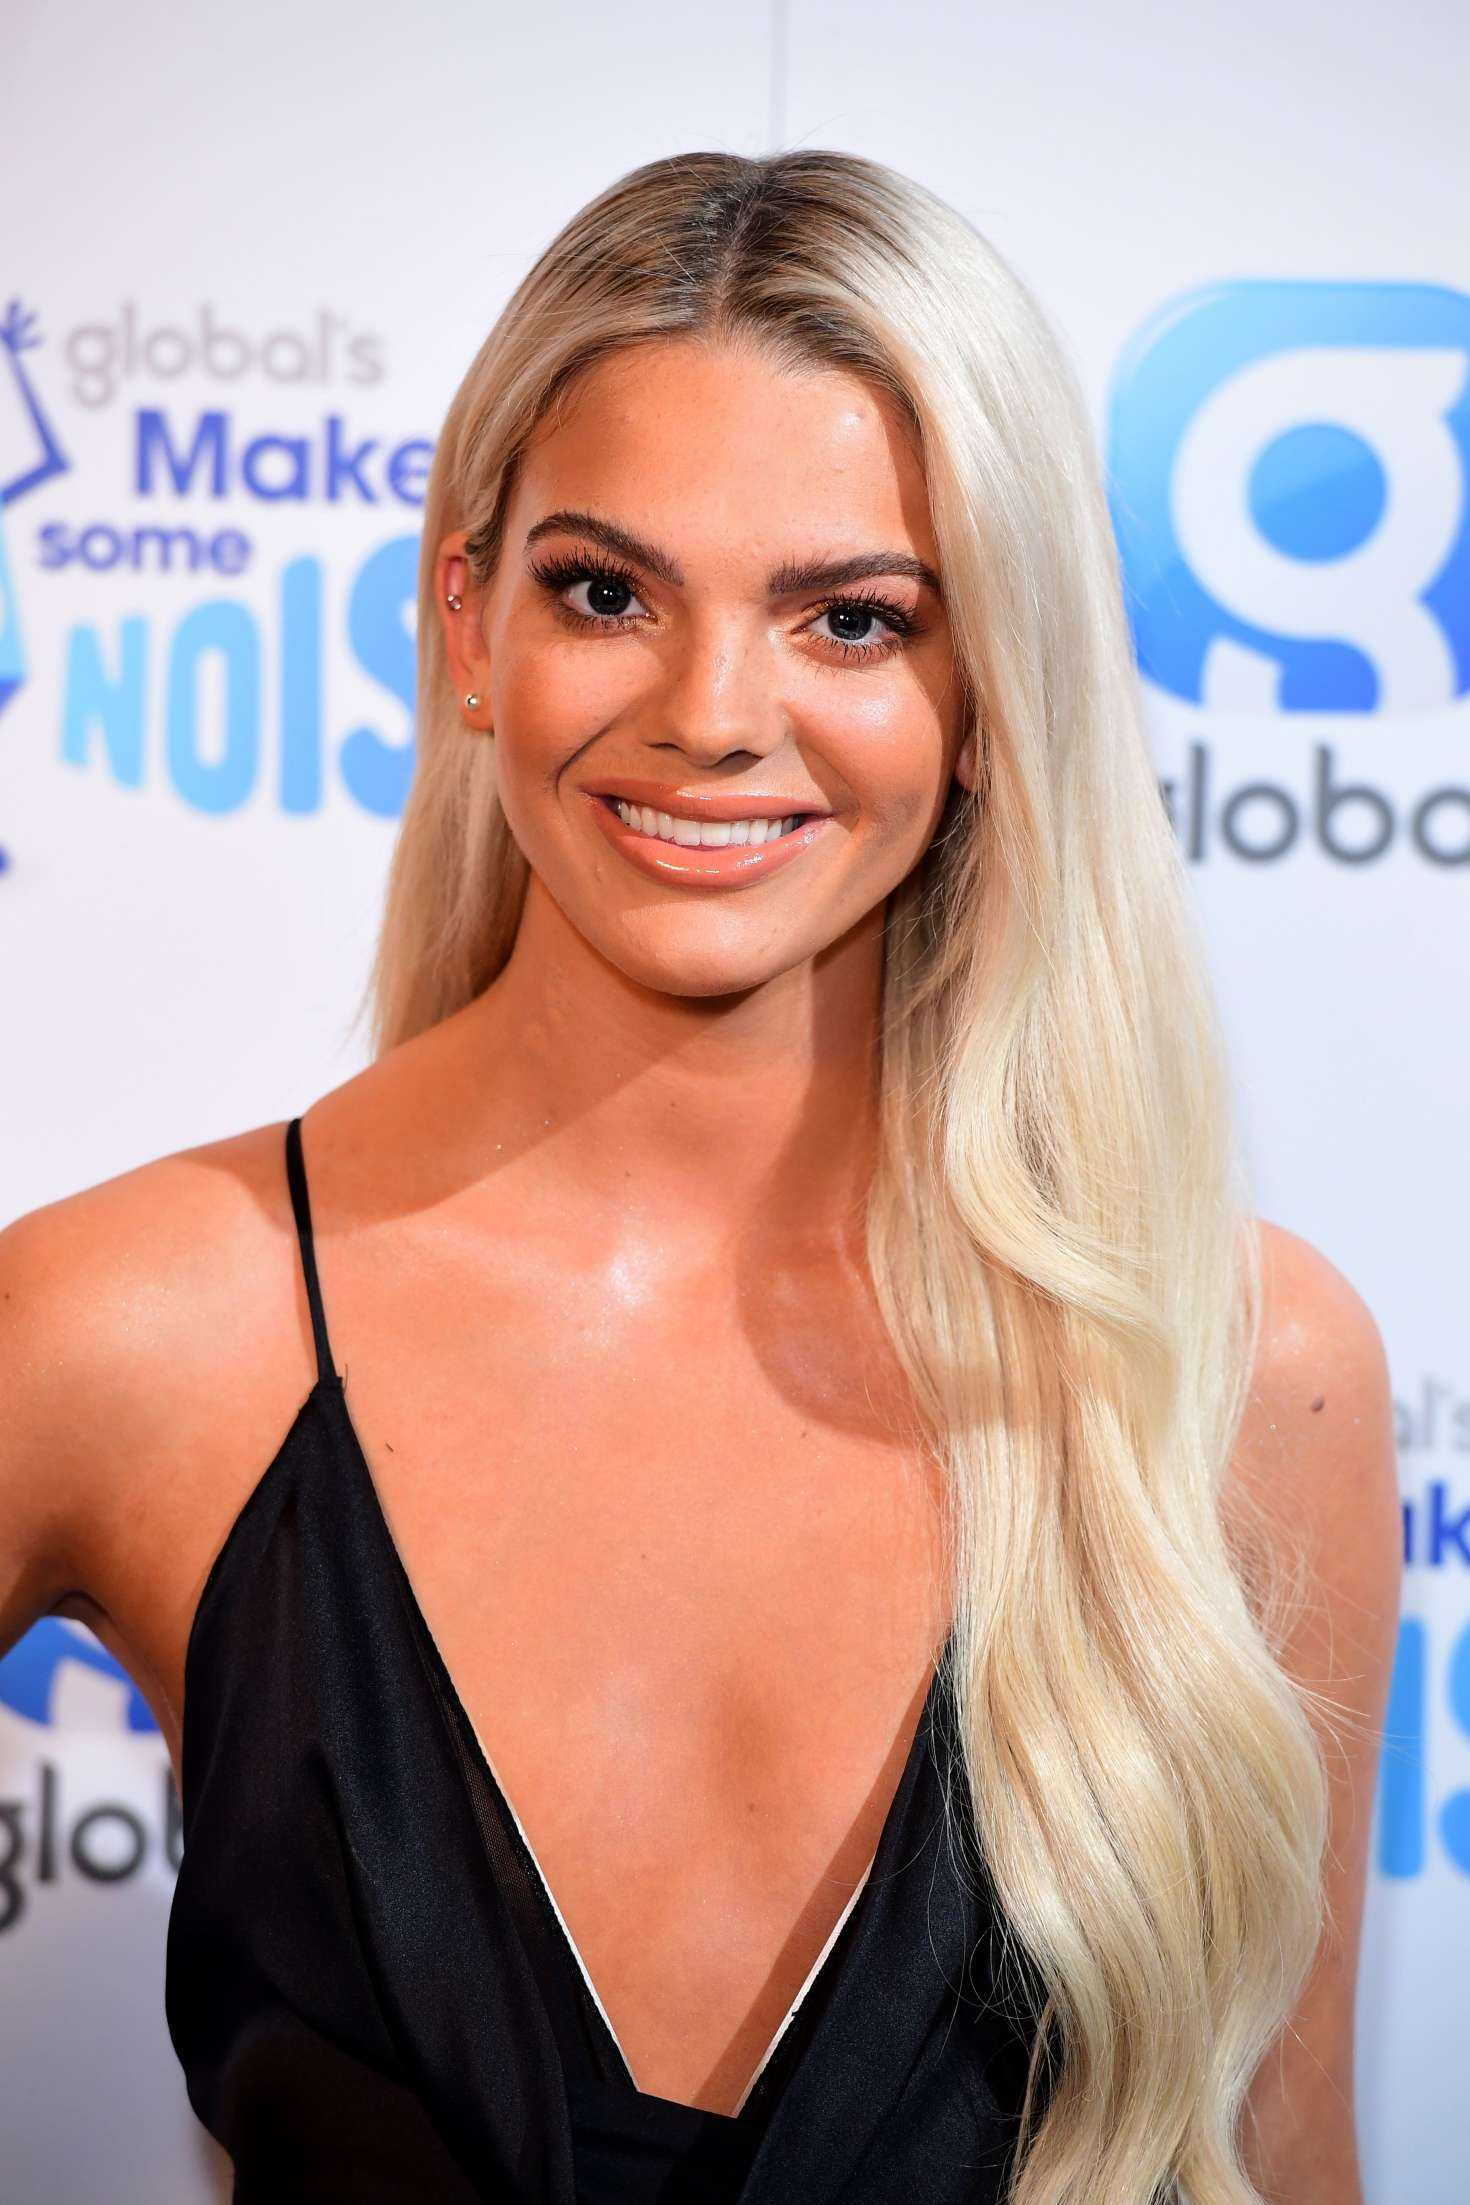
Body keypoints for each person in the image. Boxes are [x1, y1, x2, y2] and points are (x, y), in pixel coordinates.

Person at [0, 149, 1400, 2204]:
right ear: (468, 624)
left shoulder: (1237, 1370)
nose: (713, 715)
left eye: (851, 618)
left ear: (988, 693)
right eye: (606, 591)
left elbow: (1283, 2159)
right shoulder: (129, 1329)